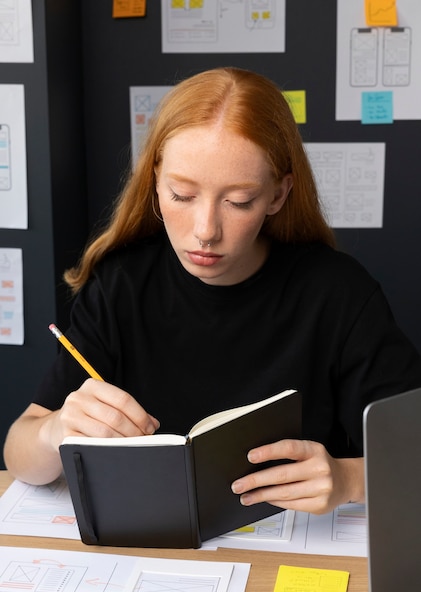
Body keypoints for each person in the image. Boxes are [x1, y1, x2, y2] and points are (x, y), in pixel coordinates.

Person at [4, 67, 421, 516]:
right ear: (155, 183)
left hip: (295, 553)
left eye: (239, 201)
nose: (205, 232)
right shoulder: (121, 285)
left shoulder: (339, 294)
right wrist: (54, 430)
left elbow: (411, 452)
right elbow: (18, 454)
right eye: (181, 195)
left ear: (278, 195)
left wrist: (350, 479)